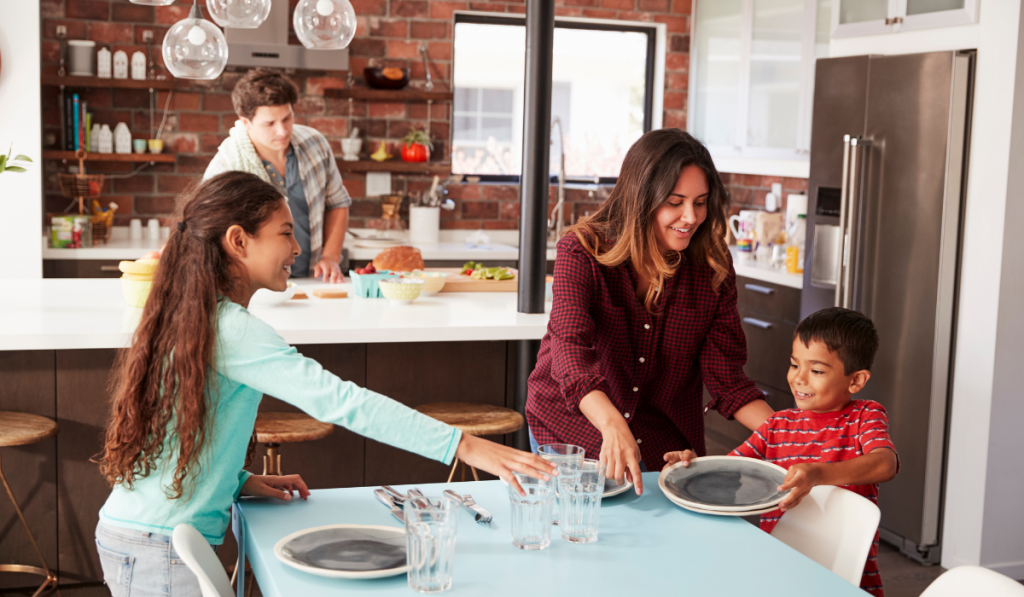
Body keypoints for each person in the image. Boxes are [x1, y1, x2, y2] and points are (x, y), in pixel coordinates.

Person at [94, 172, 556, 597]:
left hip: (142, 532)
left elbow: (181, 434)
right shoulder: (230, 329)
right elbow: (343, 402)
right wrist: (466, 446)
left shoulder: (195, 316)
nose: (298, 249)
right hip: (156, 547)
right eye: (285, 232)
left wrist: (237, 482)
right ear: (238, 241)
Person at [526, 128, 775, 496]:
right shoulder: (582, 252)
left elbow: (728, 378)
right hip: (575, 429)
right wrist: (611, 424)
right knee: (585, 539)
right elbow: (569, 350)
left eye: (701, 202)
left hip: (664, 440)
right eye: (675, 201)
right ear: (641, 198)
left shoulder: (712, 267)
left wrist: (796, 436)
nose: (690, 217)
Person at [665, 307, 899, 597]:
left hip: (842, 575)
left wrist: (817, 474)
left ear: (856, 381)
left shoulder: (865, 416)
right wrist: (689, 465)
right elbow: (727, 471)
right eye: (794, 364)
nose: (799, 379)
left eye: (816, 371)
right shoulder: (778, 424)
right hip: (777, 570)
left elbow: (885, 464)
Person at [204, 68, 348, 282]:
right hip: (255, 288)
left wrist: (330, 256)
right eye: (269, 124)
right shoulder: (226, 166)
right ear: (246, 123)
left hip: (313, 281)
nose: (282, 131)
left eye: (287, 118)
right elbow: (206, 235)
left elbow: (337, 203)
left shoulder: (315, 144)